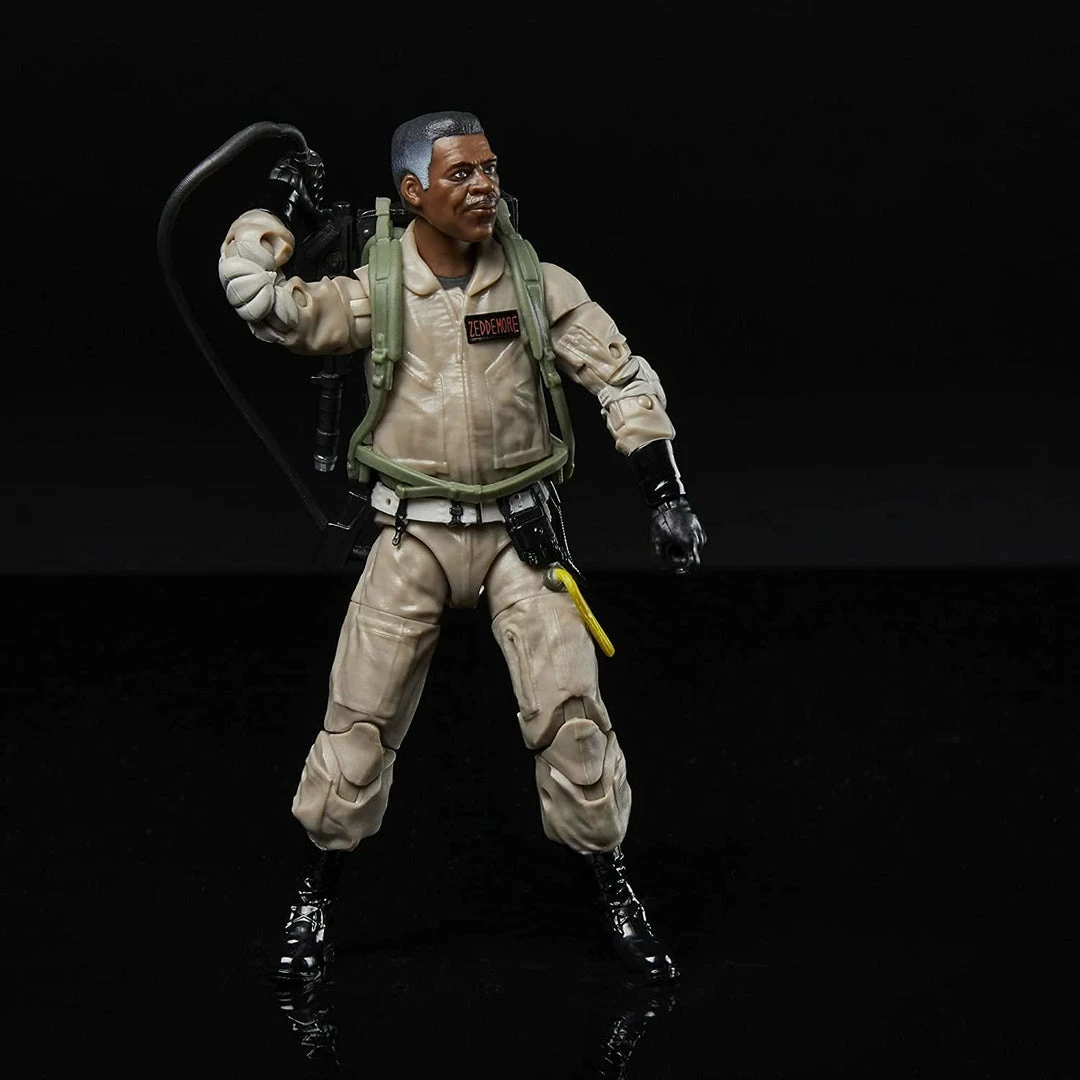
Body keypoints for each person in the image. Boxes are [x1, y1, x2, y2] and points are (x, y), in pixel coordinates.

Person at [217, 110, 706, 985]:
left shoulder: (535, 283)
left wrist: (666, 495)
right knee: (358, 727)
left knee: (573, 722)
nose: (485, 187)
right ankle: (315, 894)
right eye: (461, 175)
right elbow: (268, 306)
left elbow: (623, 378)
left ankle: (615, 883)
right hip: (412, 535)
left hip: (523, 535)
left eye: (490, 169)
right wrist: (278, 219)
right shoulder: (377, 289)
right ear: (412, 193)